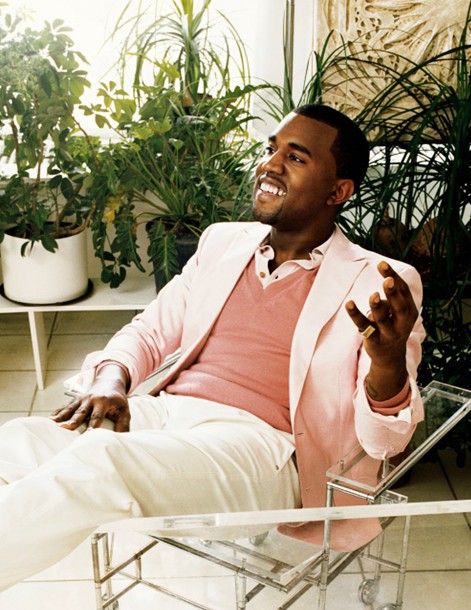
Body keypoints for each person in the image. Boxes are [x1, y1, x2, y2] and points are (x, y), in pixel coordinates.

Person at [0, 104, 425, 591]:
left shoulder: (380, 282)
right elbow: (150, 330)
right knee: (16, 443)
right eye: (271, 150)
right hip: (164, 413)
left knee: (99, 463)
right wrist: (111, 383)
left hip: (263, 446)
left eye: (295, 157)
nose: (270, 165)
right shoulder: (223, 242)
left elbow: (385, 444)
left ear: (338, 191)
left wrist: (388, 363)